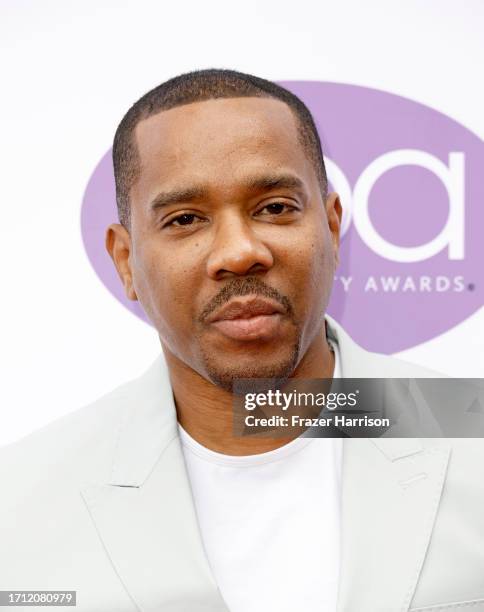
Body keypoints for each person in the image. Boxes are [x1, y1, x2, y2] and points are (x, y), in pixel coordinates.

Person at [1, 69, 483, 612]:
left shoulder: (474, 434)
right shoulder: (18, 501)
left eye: (275, 207)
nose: (238, 252)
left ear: (330, 228)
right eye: (185, 219)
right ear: (125, 261)